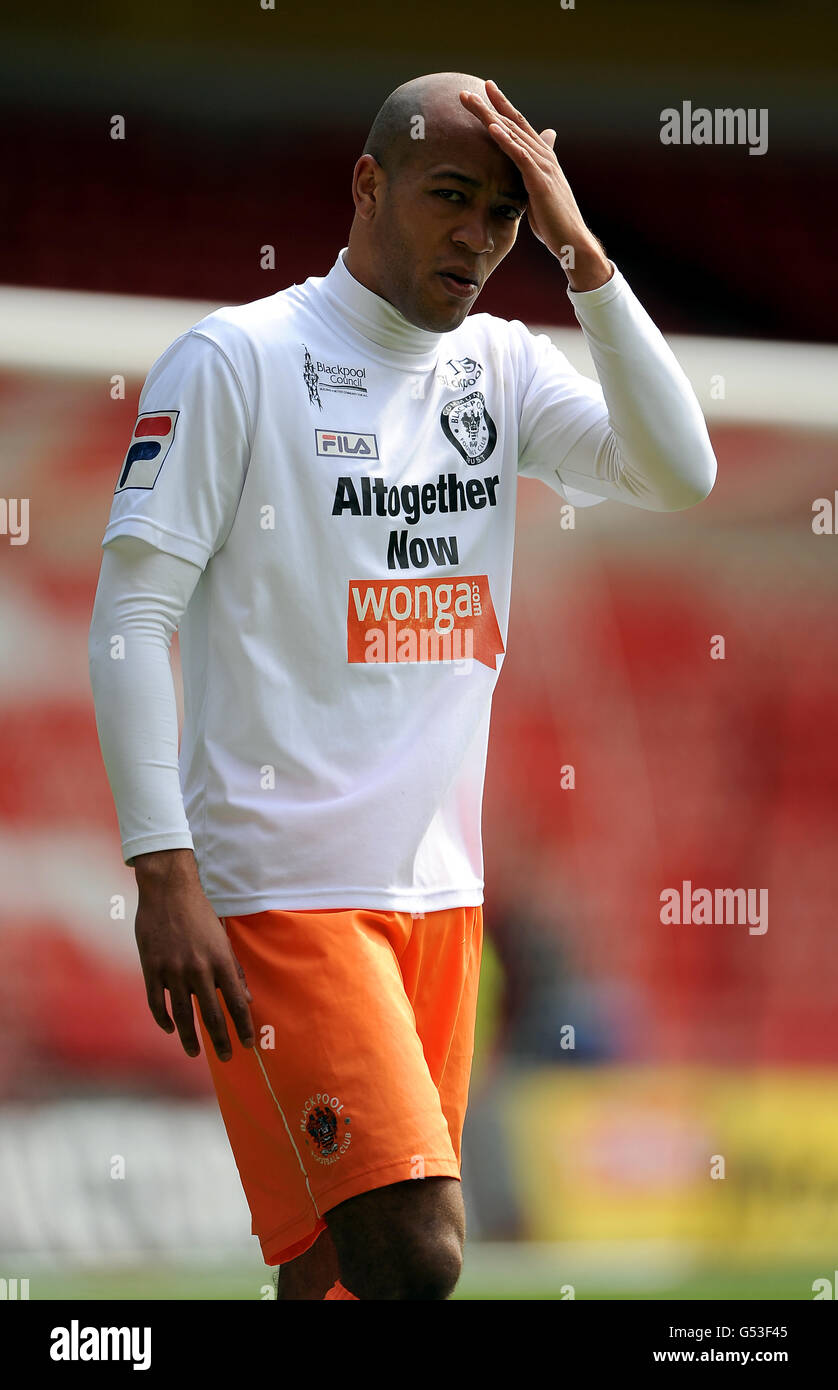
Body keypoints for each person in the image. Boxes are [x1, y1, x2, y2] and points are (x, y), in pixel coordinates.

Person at [88, 72, 717, 1300]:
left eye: (500, 213)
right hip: (284, 890)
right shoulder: (237, 360)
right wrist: (163, 870)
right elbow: (131, 616)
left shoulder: (499, 368)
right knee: (417, 1251)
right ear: (368, 186)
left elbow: (679, 471)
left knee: (331, 1270)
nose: (478, 238)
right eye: (449, 198)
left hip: (442, 901)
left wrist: (579, 250)